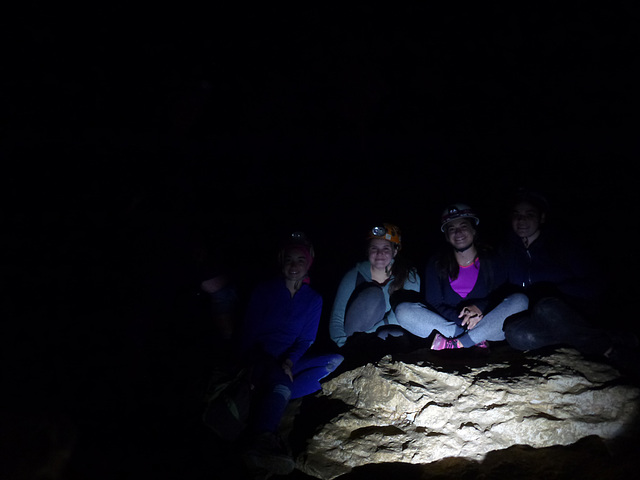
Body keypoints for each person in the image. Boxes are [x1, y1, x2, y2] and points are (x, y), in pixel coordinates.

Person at [238, 232, 344, 475]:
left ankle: (273, 396)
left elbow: (306, 339)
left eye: (300, 259)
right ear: (281, 260)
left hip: (285, 363)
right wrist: (266, 363)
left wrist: (288, 361)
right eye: (289, 259)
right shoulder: (264, 291)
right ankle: (262, 438)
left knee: (335, 362)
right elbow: (247, 338)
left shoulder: (313, 299)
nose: (294, 265)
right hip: (258, 359)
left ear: (309, 262)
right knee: (280, 379)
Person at [500, 189, 638, 359]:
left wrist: (554, 292)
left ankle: (609, 351)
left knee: (547, 307)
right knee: (515, 333)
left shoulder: (562, 245)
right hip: (539, 317)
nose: (522, 220)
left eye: (529, 214)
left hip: (571, 309)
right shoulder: (507, 250)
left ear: (541, 218)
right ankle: (599, 337)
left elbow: (597, 284)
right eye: (517, 214)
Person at [394, 204, 529, 350]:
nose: (458, 232)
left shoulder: (493, 260)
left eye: (463, 226)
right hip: (451, 327)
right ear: (446, 236)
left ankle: (459, 343)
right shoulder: (436, 263)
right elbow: (434, 302)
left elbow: (500, 294)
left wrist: (479, 308)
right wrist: (463, 321)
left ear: (474, 230)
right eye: (451, 229)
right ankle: (471, 340)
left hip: (487, 325)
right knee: (403, 310)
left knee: (520, 300)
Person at [329, 223, 421, 349]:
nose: (379, 253)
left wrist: (367, 335)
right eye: (374, 248)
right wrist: (343, 345)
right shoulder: (354, 275)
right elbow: (337, 317)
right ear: (367, 251)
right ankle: (353, 355)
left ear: (395, 251)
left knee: (391, 333)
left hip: (388, 334)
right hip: (355, 338)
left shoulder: (409, 275)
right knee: (372, 294)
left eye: (386, 249)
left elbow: (404, 317)